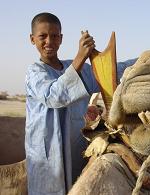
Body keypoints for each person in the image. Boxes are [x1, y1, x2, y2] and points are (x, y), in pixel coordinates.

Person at [25, 12, 136, 195]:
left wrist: (144, 60)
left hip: (76, 150)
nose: (49, 42)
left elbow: (110, 72)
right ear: (32, 39)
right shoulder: (35, 72)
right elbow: (54, 96)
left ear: (61, 38)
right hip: (47, 157)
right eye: (42, 36)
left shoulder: (80, 69)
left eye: (54, 36)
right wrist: (80, 57)